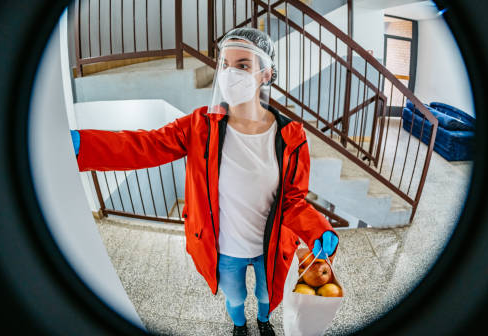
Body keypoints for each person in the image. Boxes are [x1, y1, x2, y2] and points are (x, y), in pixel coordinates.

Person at [70, 27, 339, 336]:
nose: (229, 74)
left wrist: (317, 227)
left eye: (243, 65)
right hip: (224, 247)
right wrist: (83, 146)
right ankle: (240, 327)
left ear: (266, 74)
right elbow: (144, 146)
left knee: (267, 295)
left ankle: (264, 323)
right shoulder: (199, 126)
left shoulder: (292, 136)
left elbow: (293, 201)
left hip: (272, 245)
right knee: (235, 296)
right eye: (225, 64)